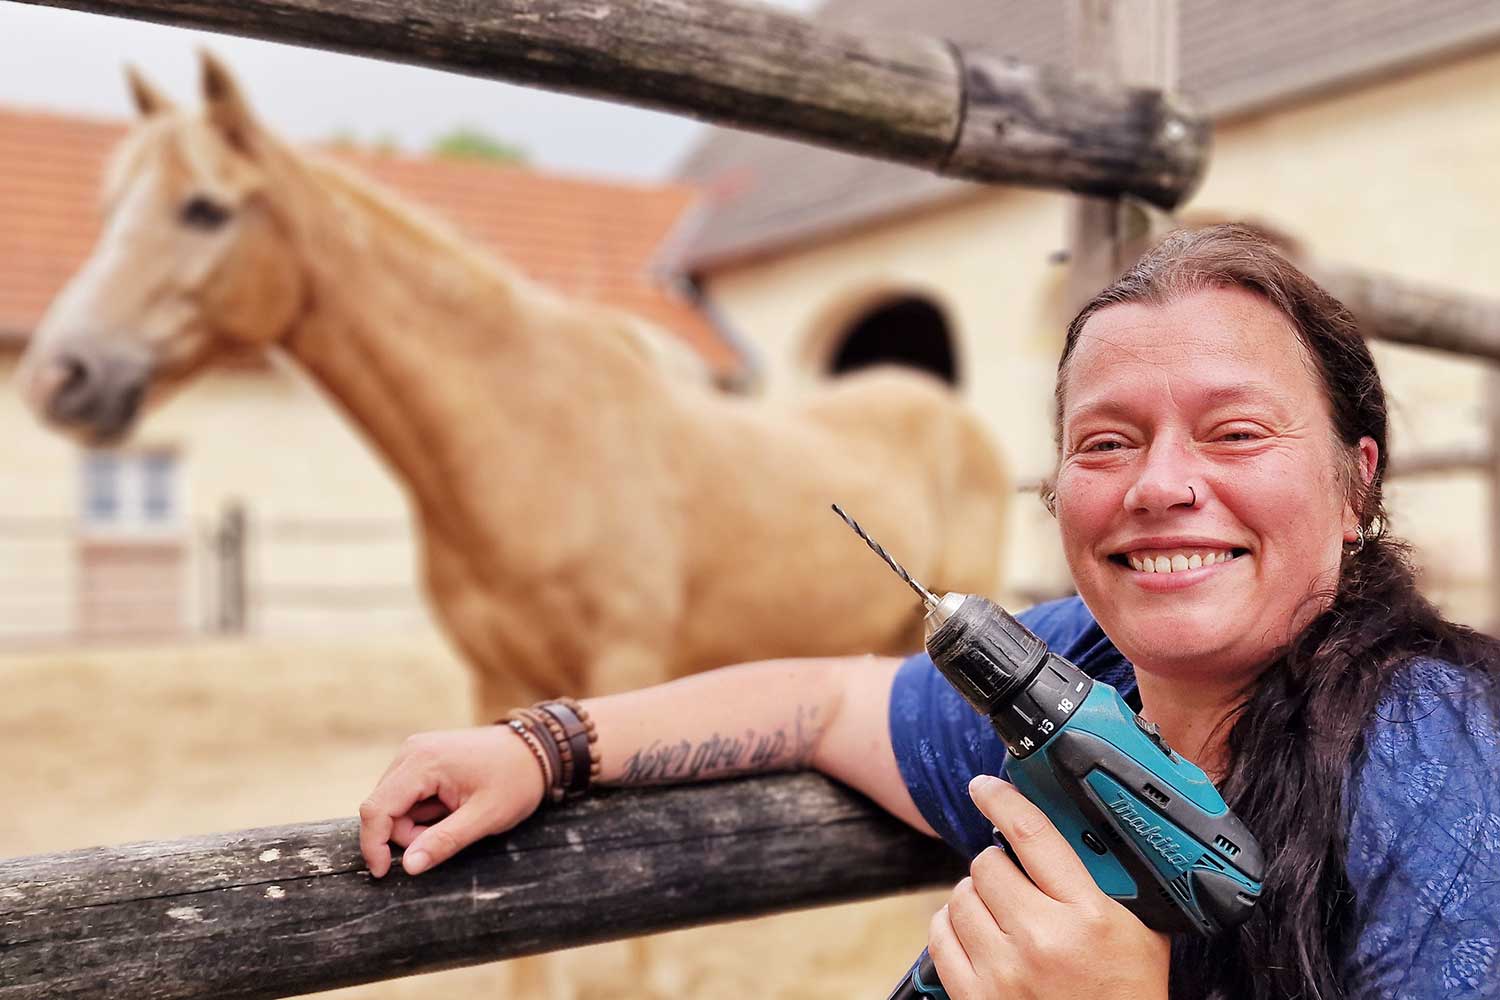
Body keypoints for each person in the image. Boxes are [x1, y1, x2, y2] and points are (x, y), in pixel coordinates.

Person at [359, 225, 1500, 1000]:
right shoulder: (1070, 678)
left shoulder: (1442, 769)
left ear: (1355, 484)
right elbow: (821, 701)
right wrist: (545, 744)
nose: (1159, 485)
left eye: (1235, 432)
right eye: (1106, 442)